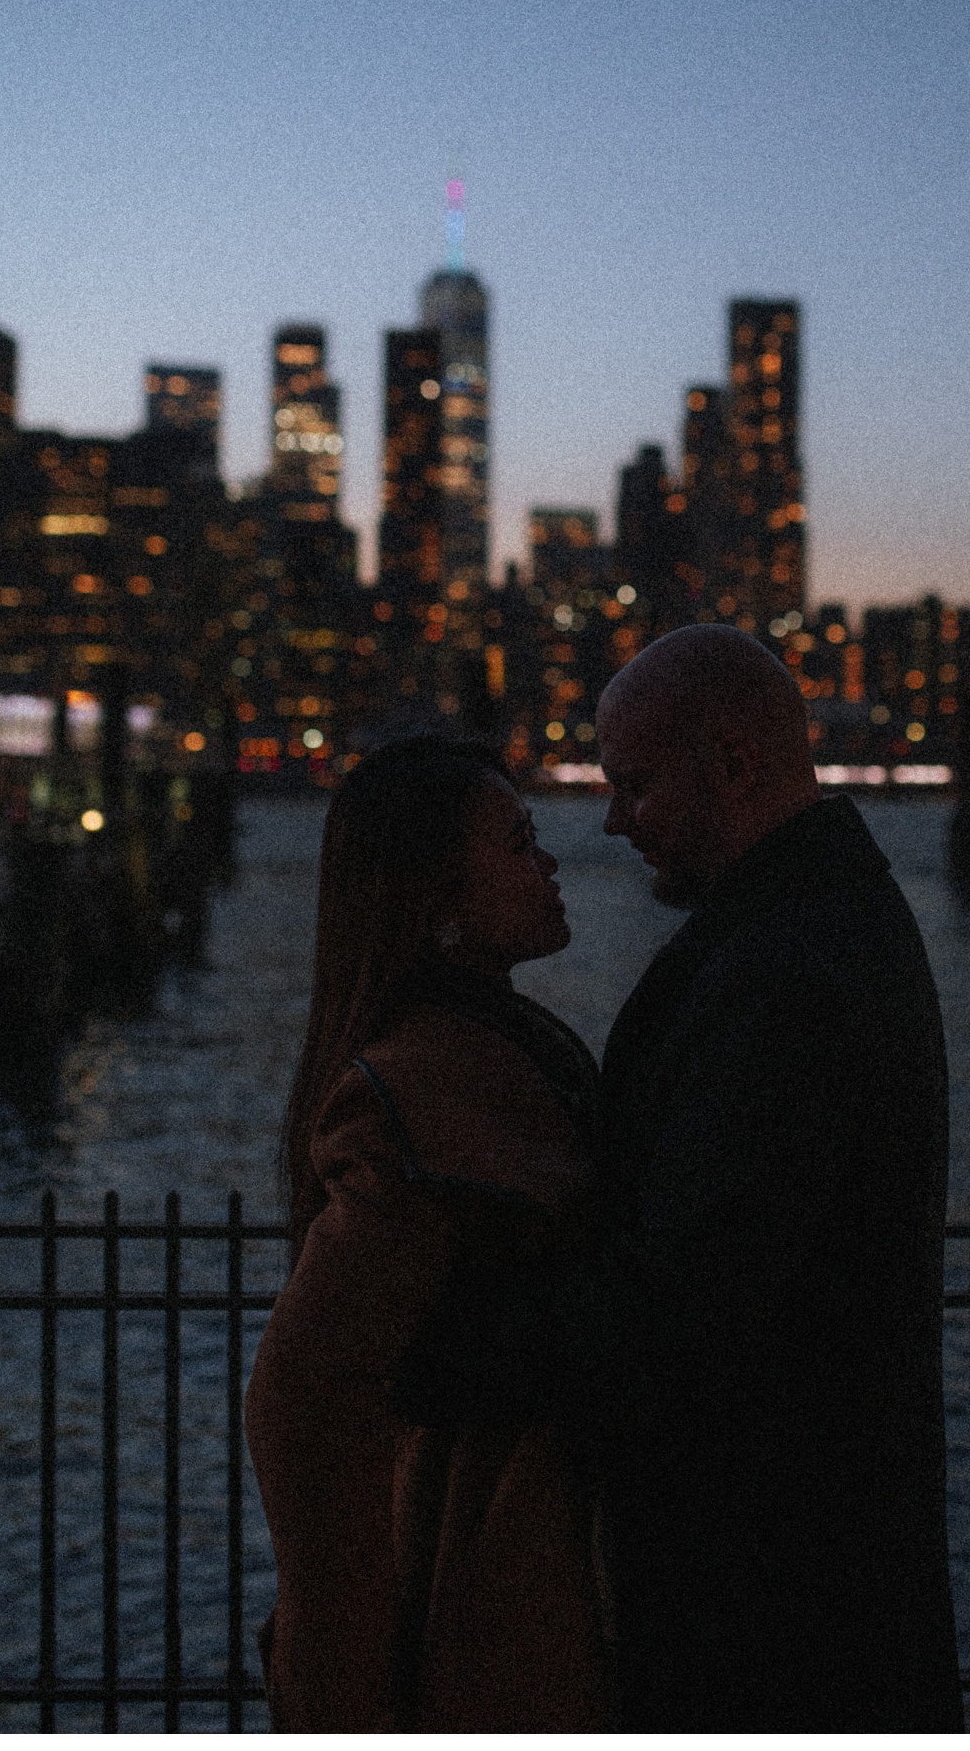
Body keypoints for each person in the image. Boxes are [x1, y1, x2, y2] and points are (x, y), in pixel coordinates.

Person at [399, 626, 963, 1731]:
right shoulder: (820, 931)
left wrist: (444, 1348)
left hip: (771, 1621)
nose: (613, 820)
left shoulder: (783, 976)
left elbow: (685, 1303)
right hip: (812, 1592)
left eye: (637, 783)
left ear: (736, 763)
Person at [244, 736, 608, 1732]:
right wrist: (344, 1689)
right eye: (520, 840)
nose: (551, 861)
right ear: (435, 894)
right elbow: (303, 1396)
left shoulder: (454, 1060)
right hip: (491, 1600)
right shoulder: (418, 1095)